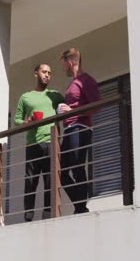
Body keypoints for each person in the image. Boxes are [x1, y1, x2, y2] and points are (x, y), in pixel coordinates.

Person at [14, 63, 65, 221]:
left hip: (52, 142)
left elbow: (65, 108)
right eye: (44, 72)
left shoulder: (55, 95)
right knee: (30, 181)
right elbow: (16, 119)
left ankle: (48, 214)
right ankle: (28, 216)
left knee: (50, 180)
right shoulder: (26, 97)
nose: (47, 75)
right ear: (36, 73)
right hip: (33, 144)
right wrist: (26, 122)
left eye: (49, 73)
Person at [58, 48, 101, 214]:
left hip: (80, 128)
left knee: (77, 167)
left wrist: (74, 112)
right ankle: (80, 205)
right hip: (69, 129)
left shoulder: (86, 80)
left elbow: (96, 105)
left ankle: (81, 208)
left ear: (70, 63)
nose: (64, 70)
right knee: (60, 171)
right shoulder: (73, 83)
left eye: (64, 66)